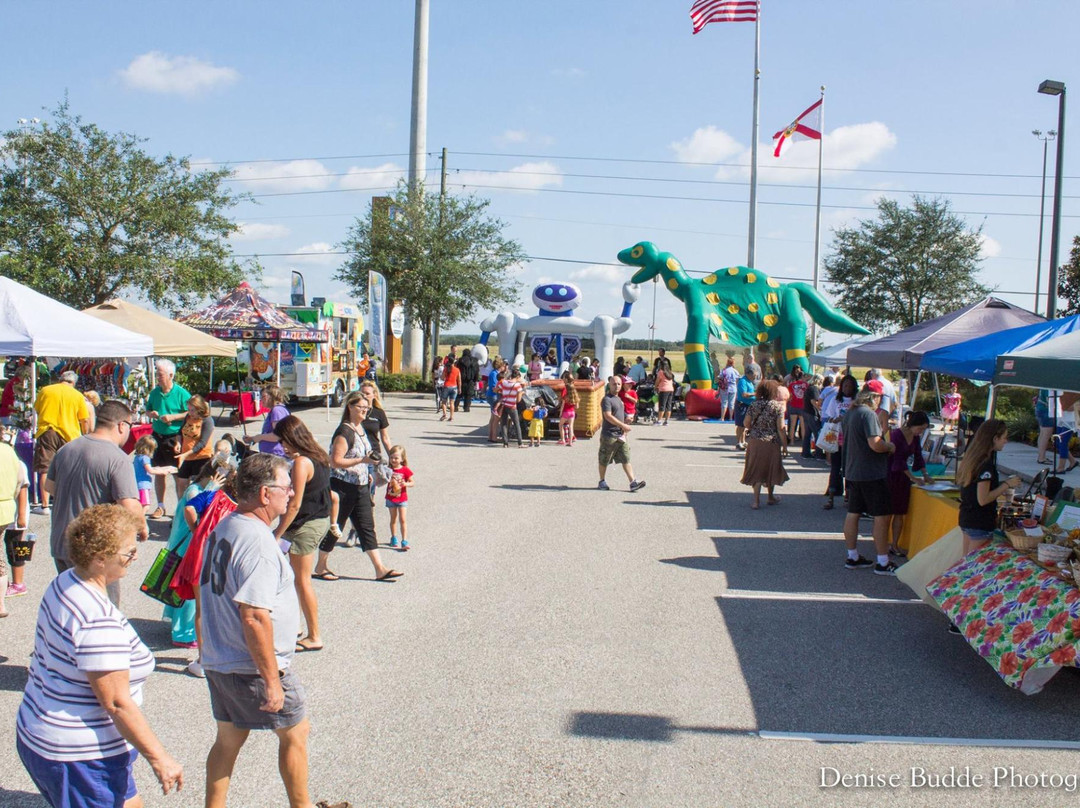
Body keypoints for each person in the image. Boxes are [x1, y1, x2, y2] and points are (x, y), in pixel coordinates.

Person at [198, 454, 350, 808]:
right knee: (295, 732)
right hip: (251, 664)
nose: (292, 492)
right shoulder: (258, 543)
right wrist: (271, 680)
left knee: (228, 739)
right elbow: (254, 616)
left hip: (220, 659)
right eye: (286, 487)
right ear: (265, 494)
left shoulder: (226, 526)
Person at [16, 505, 184, 808]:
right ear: (99, 558)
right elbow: (116, 702)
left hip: (42, 727)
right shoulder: (97, 620)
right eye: (128, 553)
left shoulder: (64, 582)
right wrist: (160, 757)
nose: (134, 558)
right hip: (80, 755)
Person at [45, 400, 149, 606]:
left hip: (62, 544)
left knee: (71, 607)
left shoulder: (66, 449)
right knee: (102, 610)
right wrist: (143, 527)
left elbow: (49, 487)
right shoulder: (117, 458)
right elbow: (129, 505)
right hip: (96, 553)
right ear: (121, 425)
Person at [315, 393, 402, 582]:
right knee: (336, 527)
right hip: (342, 487)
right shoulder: (344, 431)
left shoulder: (359, 428)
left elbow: (362, 455)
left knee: (367, 527)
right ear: (350, 407)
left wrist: (367, 470)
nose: (365, 411)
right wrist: (362, 461)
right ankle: (321, 566)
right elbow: (335, 461)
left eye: (367, 408)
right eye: (361, 407)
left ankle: (380, 569)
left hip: (361, 486)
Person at [272, 416, 332, 653]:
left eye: (284, 441)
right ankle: (295, 625)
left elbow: (295, 504)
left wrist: (277, 533)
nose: (282, 446)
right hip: (317, 519)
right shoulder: (319, 455)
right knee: (293, 577)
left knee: (302, 580)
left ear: (293, 437)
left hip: (305, 523)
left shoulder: (301, 462)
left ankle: (314, 635)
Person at [841, 385, 898, 575]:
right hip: (871, 473)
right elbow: (875, 444)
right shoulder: (868, 414)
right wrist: (889, 446)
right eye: (879, 397)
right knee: (882, 516)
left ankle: (852, 556)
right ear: (872, 397)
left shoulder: (851, 412)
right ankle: (883, 561)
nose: (880, 401)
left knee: (853, 512)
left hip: (853, 471)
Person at [957, 419, 1021, 557]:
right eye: (1004, 438)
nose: (1006, 441)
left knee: (965, 562)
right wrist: (1007, 485)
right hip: (979, 521)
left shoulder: (974, 457)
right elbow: (983, 499)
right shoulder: (985, 464)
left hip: (968, 517)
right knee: (974, 564)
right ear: (995, 438)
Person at [32, 369, 90, 514]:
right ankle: (69, 501)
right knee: (70, 467)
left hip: (47, 431)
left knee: (45, 467)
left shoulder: (45, 390)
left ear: (60, 379)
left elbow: (37, 409)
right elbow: (84, 419)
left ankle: (45, 505)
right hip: (70, 434)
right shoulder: (77, 395)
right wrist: (86, 434)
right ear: (73, 382)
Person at [145, 359, 191, 518]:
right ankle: (160, 506)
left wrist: (173, 417)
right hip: (157, 436)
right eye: (157, 374)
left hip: (175, 438)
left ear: (171, 375)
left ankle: (180, 509)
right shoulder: (154, 393)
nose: (157, 377)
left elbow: (191, 412)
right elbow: (148, 410)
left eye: (160, 374)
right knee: (159, 472)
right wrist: (151, 414)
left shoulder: (181, 393)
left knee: (178, 475)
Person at [884, 410, 934, 557]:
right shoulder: (897, 435)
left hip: (903, 478)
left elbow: (918, 456)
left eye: (923, 429)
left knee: (900, 512)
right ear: (912, 424)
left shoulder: (915, 437)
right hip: (891, 475)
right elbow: (898, 459)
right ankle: (884, 543)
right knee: (887, 513)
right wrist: (913, 477)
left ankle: (895, 544)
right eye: (920, 428)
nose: (920, 432)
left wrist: (925, 474)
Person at [740, 380, 789, 509]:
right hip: (771, 442)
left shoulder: (754, 405)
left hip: (755, 441)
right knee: (771, 469)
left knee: (756, 470)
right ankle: (770, 497)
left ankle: (756, 501)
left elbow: (746, 423)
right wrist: (785, 446)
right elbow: (781, 428)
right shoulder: (778, 407)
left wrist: (755, 428)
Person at [597, 376, 646, 492]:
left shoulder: (619, 399)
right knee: (604, 459)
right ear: (609, 385)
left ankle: (633, 482)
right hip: (609, 435)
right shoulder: (607, 399)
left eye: (619, 384)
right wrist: (623, 425)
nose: (617, 386)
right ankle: (602, 481)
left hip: (621, 435)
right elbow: (608, 416)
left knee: (626, 458)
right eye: (614, 384)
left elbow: (619, 414)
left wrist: (626, 419)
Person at [821, 375, 858, 510]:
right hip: (836, 437)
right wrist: (836, 420)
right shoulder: (835, 400)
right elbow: (829, 417)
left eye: (850, 386)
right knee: (835, 467)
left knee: (848, 468)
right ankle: (831, 497)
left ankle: (848, 496)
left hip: (851, 439)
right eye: (845, 386)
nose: (847, 388)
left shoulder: (856, 401)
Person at [2, 439, 30, 601]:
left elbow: (23, 490)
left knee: (16, 549)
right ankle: (7, 582)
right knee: (8, 548)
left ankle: (18, 583)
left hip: (17, 515)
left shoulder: (19, 465)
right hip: (8, 513)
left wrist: (21, 516)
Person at [174, 394, 215, 494]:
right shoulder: (188, 417)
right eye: (188, 410)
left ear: (199, 409)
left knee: (198, 487)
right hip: (187, 456)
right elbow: (180, 432)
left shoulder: (207, 420)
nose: (190, 413)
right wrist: (178, 443)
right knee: (181, 483)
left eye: (192, 410)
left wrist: (185, 454)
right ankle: (182, 503)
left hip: (201, 457)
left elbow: (202, 443)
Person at [242, 385, 289, 456]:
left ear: (272, 396)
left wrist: (259, 437)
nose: (261, 400)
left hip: (276, 455)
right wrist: (252, 439)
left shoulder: (277, 410)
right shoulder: (276, 410)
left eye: (264, 396)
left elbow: (277, 435)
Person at [385, 445, 414, 550]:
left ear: (402, 459)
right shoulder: (388, 469)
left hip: (402, 499)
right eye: (391, 457)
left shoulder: (405, 470)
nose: (393, 460)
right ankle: (393, 537)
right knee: (393, 519)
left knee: (403, 519)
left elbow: (412, 482)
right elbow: (382, 479)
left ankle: (404, 540)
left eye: (396, 458)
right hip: (391, 498)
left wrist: (405, 484)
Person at [496, 367, 525, 448]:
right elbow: (518, 400)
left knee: (504, 423)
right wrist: (522, 393)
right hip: (512, 406)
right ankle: (520, 443)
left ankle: (505, 443)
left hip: (504, 405)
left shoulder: (504, 382)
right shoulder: (517, 386)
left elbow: (498, 390)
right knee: (516, 424)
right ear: (518, 377)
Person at [801, 374, 824, 459]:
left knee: (807, 434)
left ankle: (805, 453)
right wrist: (820, 408)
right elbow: (814, 401)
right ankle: (819, 453)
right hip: (812, 413)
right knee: (817, 433)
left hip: (806, 412)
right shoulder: (814, 389)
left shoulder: (809, 388)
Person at [734, 366, 757, 451]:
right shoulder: (743, 381)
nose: (755, 377)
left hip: (748, 405)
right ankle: (738, 442)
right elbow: (744, 394)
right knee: (740, 425)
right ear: (748, 374)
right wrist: (755, 394)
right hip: (742, 405)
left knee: (744, 425)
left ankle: (743, 441)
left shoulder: (750, 381)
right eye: (754, 375)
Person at [785, 367, 808, 444]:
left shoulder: (791, 384)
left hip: (793, 405)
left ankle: (792, 441)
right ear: (803, 377)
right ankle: (804, 443)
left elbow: (790, 396)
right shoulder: (806, 385)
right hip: (802, 406)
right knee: (803, 425)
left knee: (792, 425)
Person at [558, 371, 579, 446]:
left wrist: (560, 413)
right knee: (571, 427)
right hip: (572, 412)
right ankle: (570, 442)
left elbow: (563, 405)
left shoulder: (565, 395)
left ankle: (563, 439)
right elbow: (577, 406)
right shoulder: (574, 395)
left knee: (560, 425)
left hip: (565, 412)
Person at [440, 357, 460, 421]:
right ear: (454, 362)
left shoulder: (446, 369)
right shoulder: (457, 370)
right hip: (454, 387)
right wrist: (459, 388)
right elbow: (459, 380)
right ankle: (451, 417)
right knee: (452, 403)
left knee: (444, 401)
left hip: (446, 386)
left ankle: (444, 415)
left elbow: (442, 378)